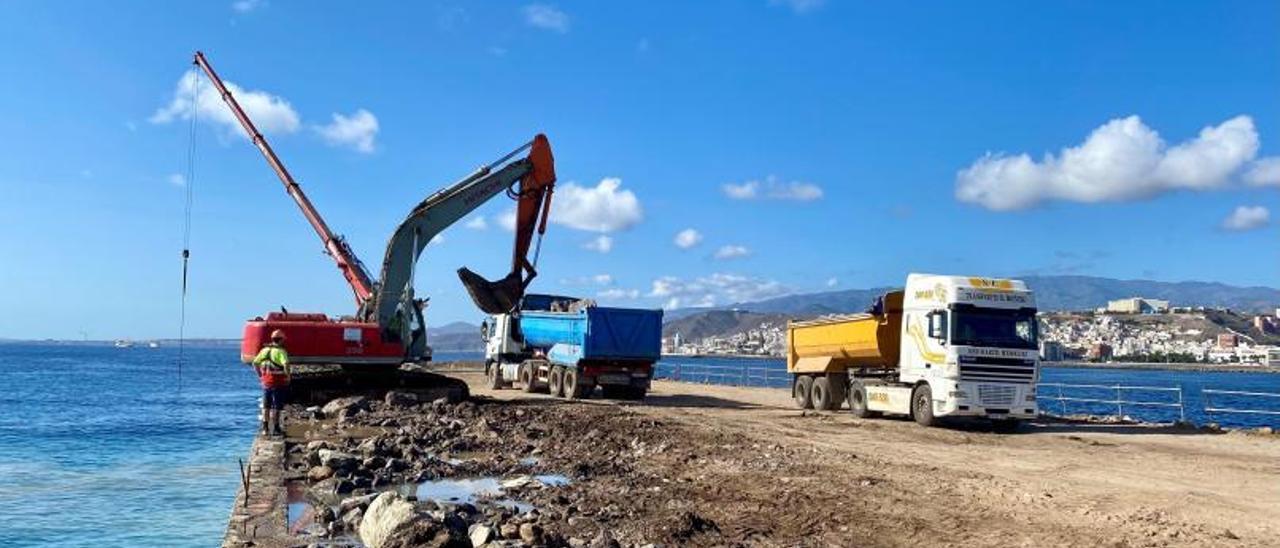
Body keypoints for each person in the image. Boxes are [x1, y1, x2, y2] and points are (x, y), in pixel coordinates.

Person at [251, 329, 291, 436]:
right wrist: (288, 376)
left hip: (266, 383)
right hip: (278, 383)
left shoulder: (264, 350)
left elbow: (255, 363)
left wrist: (260, 375)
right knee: (276, 407)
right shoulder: (281, 352)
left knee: (266, 406)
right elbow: (286, 364)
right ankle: (276, 428)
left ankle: (265, 429)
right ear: (281, 340)